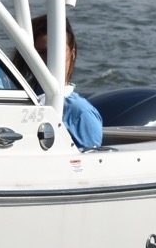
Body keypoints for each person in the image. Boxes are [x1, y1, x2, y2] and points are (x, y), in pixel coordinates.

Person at [13, 14, 103, 149]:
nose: (50, 60)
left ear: (72, 53)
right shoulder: (16, 95)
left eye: (57, 52)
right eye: (41, 52)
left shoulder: (80, 113)